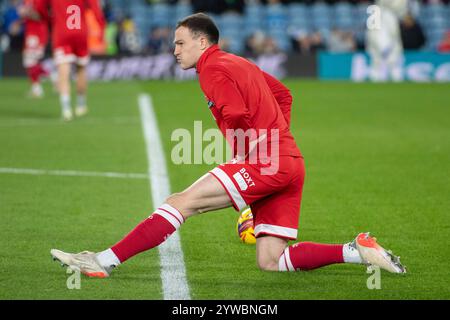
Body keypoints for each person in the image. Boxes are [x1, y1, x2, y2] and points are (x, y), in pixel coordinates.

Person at [50, 13, 406, 277]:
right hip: (289, 162)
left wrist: (246, 153)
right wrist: (276, 138)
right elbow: (284, 94)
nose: (174, 50)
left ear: (201, 42)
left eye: (180, 43)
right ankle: (357, 251)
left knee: (180, 204)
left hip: (264, 161)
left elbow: (235, 112)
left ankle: (101, 261)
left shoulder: (211, 69)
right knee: (271, 260)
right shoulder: (238, 62)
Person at [35, 0, 105, 121]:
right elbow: (96, 10)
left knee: (63, 70)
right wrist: (101, 29)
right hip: (80, 33)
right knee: (81, 69)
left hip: (62, 32)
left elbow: (39, 6)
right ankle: (81, 105)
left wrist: (49, 18)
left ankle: (66, 109)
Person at [18, 0, 49, 98]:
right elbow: (25, 16)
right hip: (30, 32)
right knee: (30, 62)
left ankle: (38, 88)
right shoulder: (26, 1)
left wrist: (27, 12)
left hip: (38, 32)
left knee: (30, 61)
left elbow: (42, 16)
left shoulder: (40, 1)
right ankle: (39, 86)